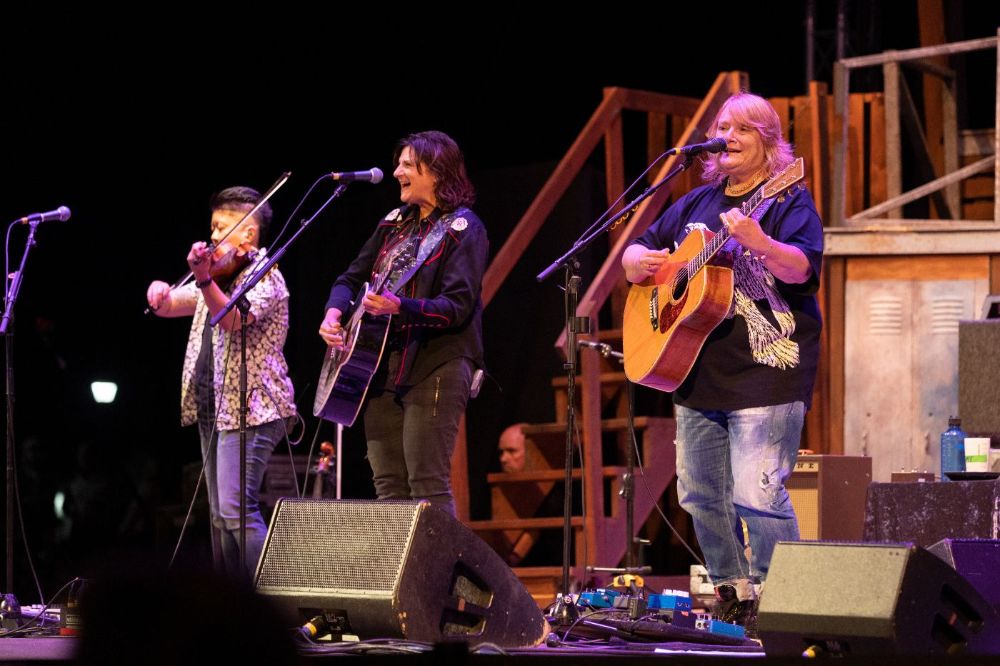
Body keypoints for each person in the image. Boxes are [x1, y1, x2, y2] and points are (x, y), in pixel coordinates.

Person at [622, 92, 823, 632]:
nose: (727, 136)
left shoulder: (787, 199)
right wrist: (638, 261)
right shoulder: (696, 202)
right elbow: (636, 251)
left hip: (766, 370)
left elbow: (803, 268)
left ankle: (786, 603)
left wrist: (762, 244)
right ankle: (735, 595)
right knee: (701, 495)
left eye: (742, 128)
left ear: (769, 142)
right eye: (722, 127)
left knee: (756, 493)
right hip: (695, 372)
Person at [319, 131, 487, 518]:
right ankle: (400, 562)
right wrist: (333, 314)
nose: (396, 172)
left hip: (437, 363)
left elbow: (457, 306)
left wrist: (400, 306)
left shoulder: (464, 228)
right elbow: (349, 279)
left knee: (427, 484)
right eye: (398, 164)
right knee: (389, 486)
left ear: (437, 172)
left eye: (408, 164)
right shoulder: (393, 224)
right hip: (379, 366)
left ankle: (440, 561)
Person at [146, 186, 297, 577]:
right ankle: (236, 602)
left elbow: (231, 319)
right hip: (215, 408)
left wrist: (202, 279)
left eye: (221, 227)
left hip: (253, 408)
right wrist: (158, 291)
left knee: (236, 510)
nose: (212, 236)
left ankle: (272, 598)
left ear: (248, 234)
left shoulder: (266, 278)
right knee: (220, 516)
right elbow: (167, 305)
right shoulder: (215, 278)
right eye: (211, 227)